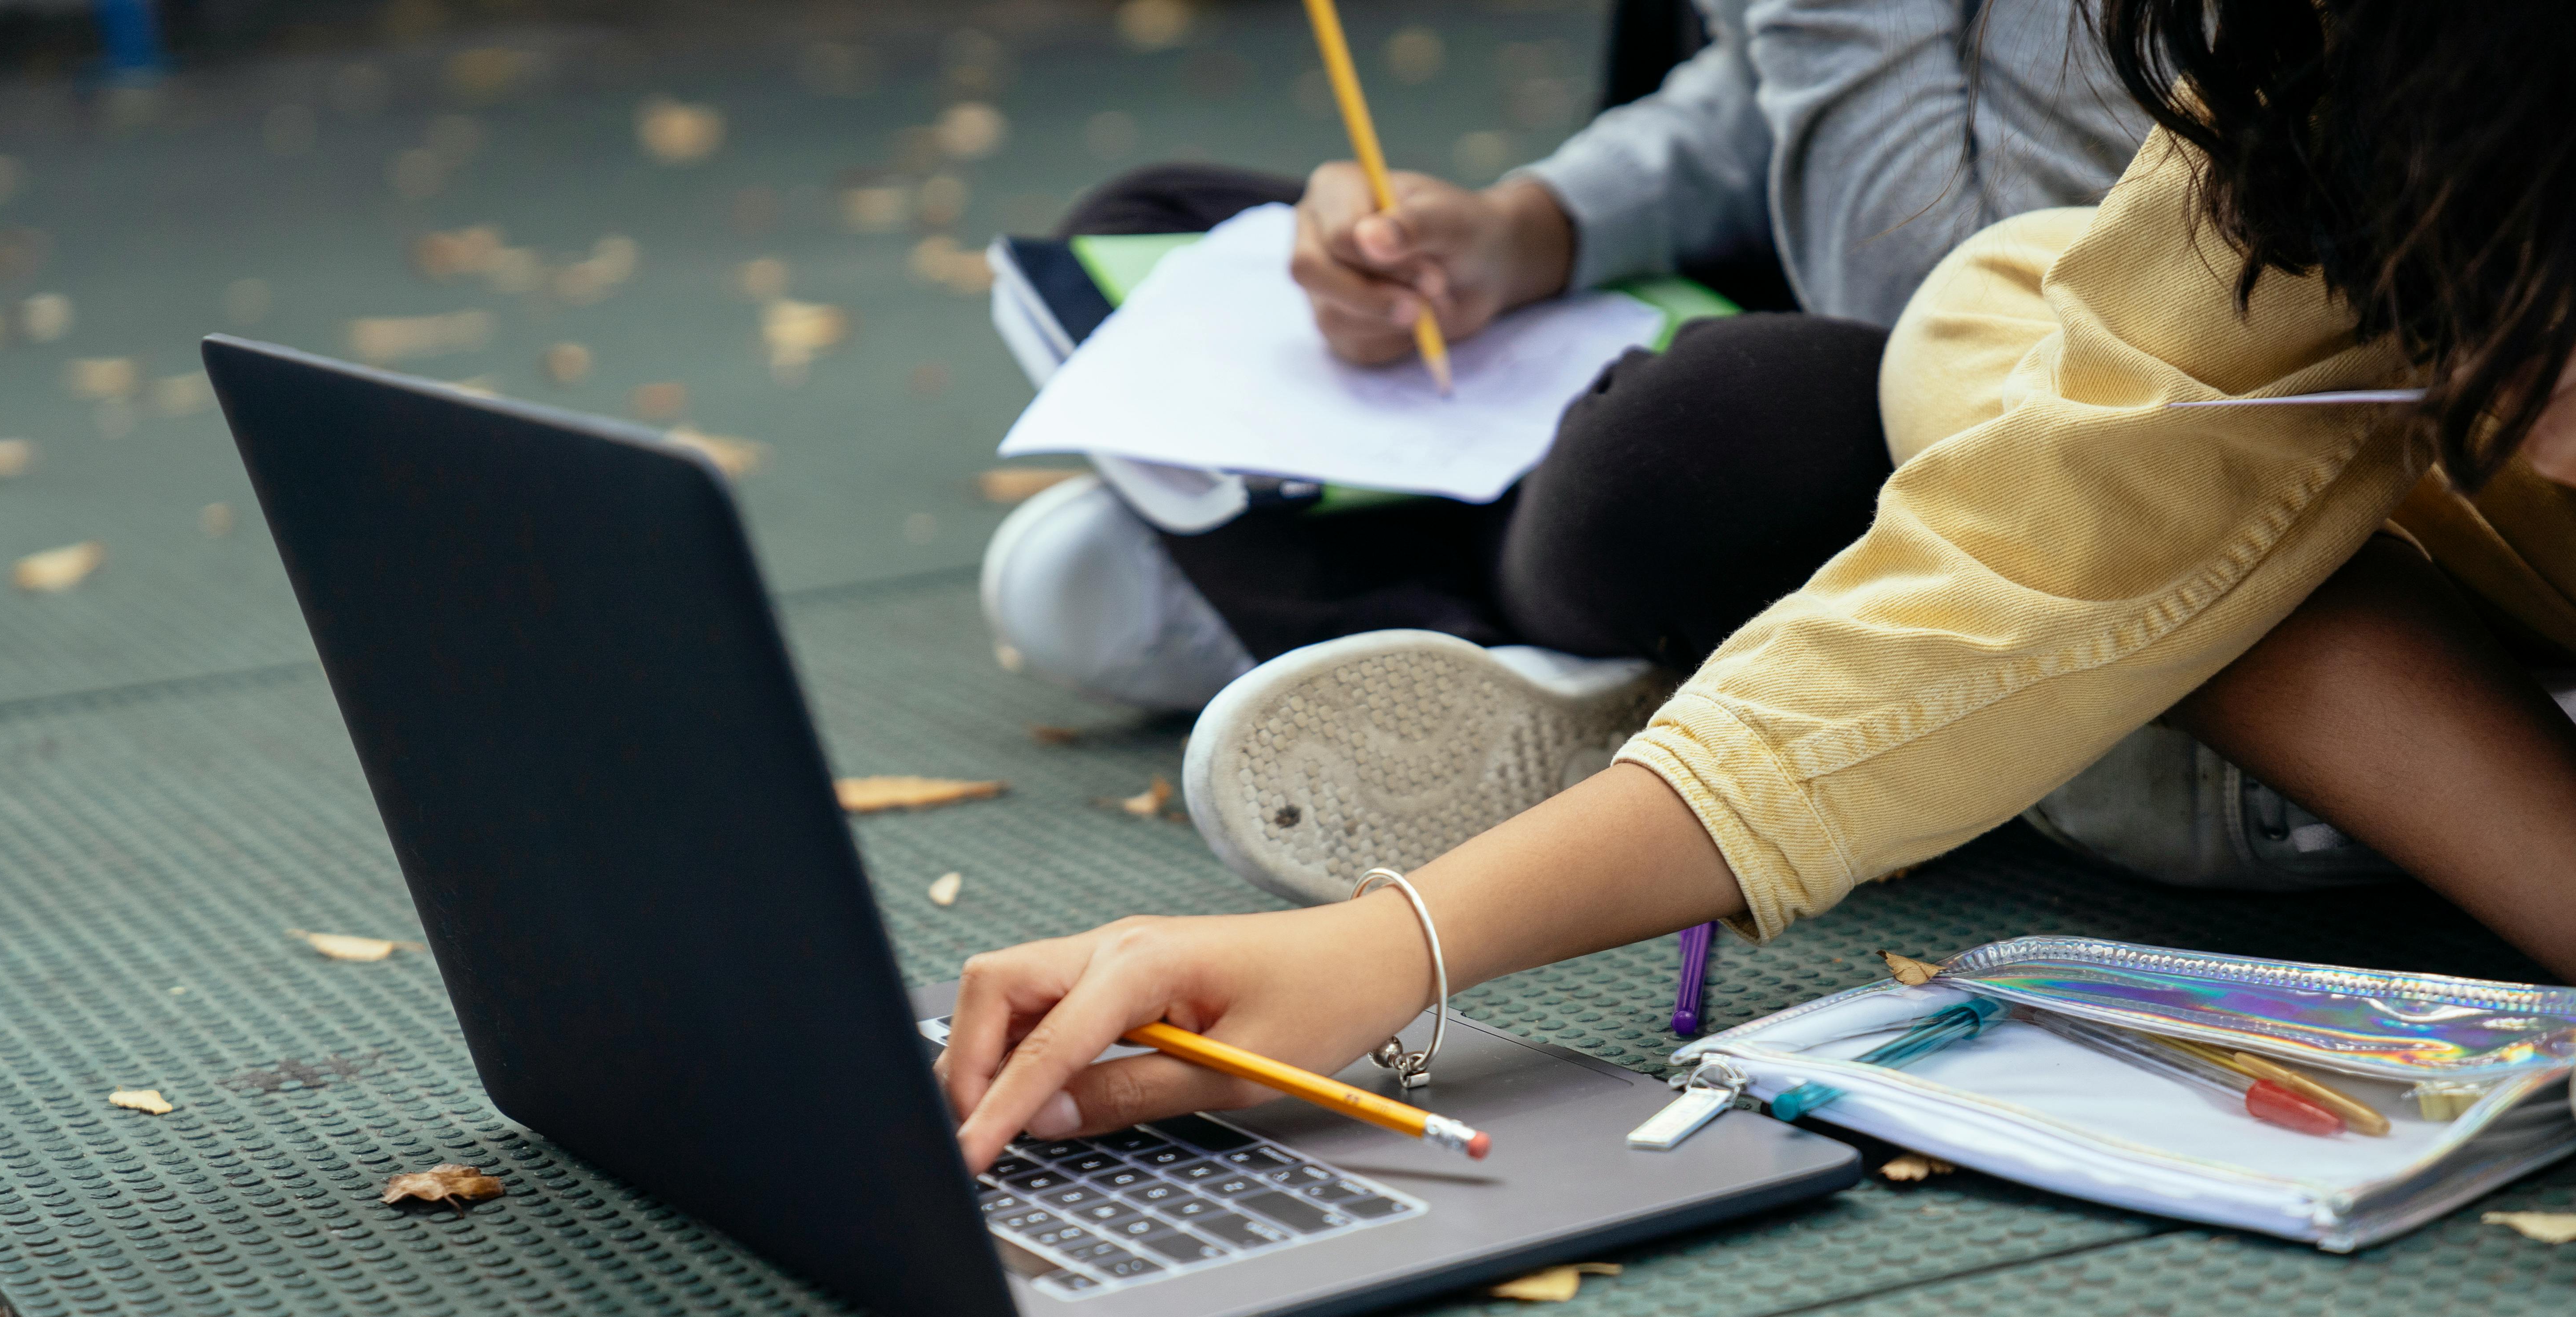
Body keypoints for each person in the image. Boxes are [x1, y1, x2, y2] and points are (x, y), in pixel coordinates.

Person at [935, 0, 2576, 1172]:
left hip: (1927, 462)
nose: (2534, 411)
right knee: (1988, 342)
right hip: (2193, 506)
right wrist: (1384, 948)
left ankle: (1551, 646)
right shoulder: (2333, 91)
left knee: (1779, 421)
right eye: (2452, 312)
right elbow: (2035, 547)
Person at [980, 0, 2147, 716]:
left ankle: (1364, 621)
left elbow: (1956, 313)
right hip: (1742, 316)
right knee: (1154, 224)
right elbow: (1758, 103)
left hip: (1999, 428)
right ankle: (1516, 657)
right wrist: (1525, 232)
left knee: (1713, 421)